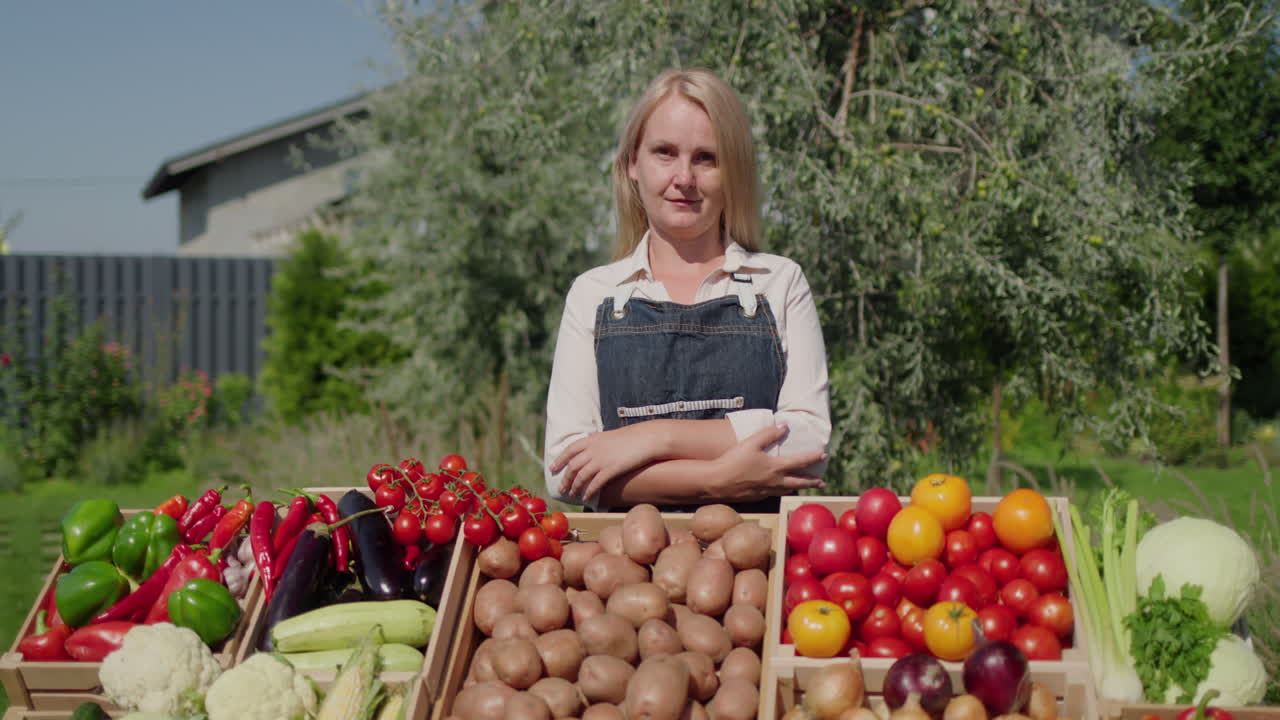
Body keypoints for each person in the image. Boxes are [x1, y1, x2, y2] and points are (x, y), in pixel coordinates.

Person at [543, 67, 831, 513]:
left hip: (757, 564)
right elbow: (566, 471)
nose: (684, 178)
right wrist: (716, 480)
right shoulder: (594, 295)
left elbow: (808, 445)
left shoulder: (780, 283)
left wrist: (650, 437)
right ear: (632, 164)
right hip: (618, 568)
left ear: (732, 172)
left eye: (706, 158)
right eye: (665, 152)